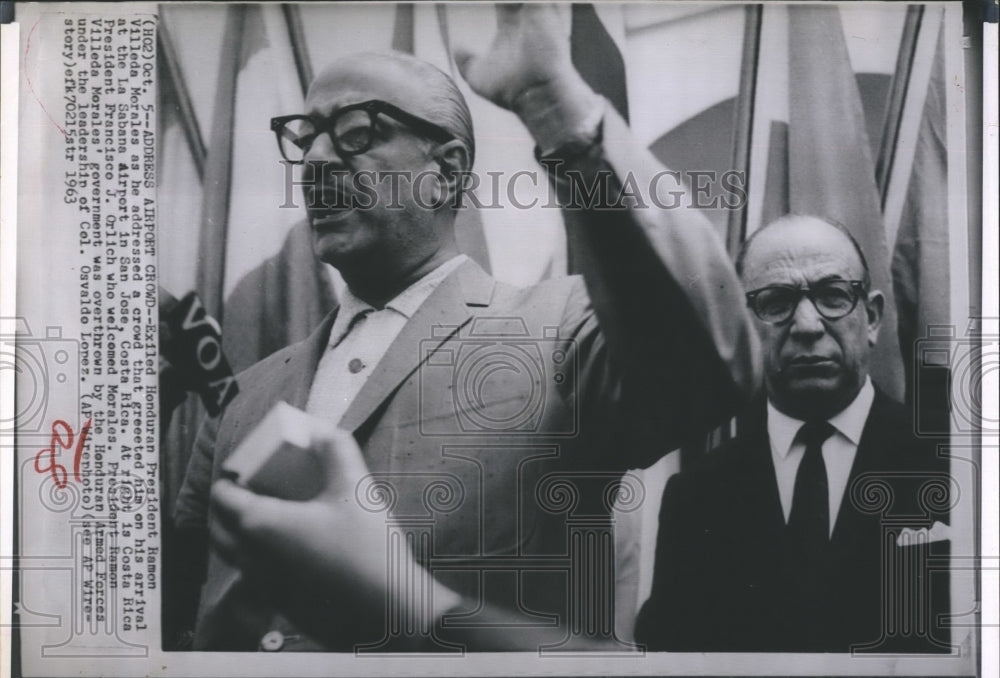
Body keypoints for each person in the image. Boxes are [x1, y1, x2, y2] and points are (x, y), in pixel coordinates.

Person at [174, 4, 759, 651]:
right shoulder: (241, 402)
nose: (314, 158)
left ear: (447, 170)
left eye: (355, 130)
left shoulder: (559, 329)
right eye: (305, 134)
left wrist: (555, 107)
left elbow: (709, 369)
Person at [633, 214, 952, 653]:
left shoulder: (960, 471)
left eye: (833, 295)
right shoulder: (697, 496)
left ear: (873, 318)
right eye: (776, 301)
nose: (807, 325)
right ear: (744, 326)